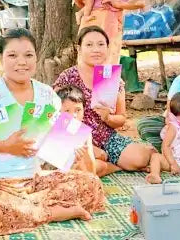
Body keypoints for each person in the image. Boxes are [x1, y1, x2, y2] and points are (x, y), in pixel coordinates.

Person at [0, 28, 105, 235]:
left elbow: (53, 144)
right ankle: (54, 211)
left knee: (91, 184)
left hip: (33, 180)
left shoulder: (48, 95)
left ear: (36, 56)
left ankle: (33, 208)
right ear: (1, 59)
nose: (21, 62)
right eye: (12, 55)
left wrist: (71, 150)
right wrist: (5, 146)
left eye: (28, 55)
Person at [54, 26, 156, 176]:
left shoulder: (112, 78)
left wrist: (107, 117)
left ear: (108, 48)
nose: (96, 49)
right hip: (75, 140)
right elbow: (54, 115)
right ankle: (111, 166)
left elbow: (121, 118)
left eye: (101, 44)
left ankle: (106, 162)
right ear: (79, 48)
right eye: (89, 45)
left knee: (139, 159)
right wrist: (86, 145)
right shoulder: (67, 77)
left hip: (106, 137)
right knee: (78, 170)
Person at [56, 84, 108, 175]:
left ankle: (116, 168)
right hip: (57, 174)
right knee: (101, 166)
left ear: (84, 110)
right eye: (67, 111)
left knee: (102, 166)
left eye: (78, 110)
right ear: (58, 112)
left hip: (78, 173)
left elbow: (91, 171)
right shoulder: (53, 131)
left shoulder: (84, 133)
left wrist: (84, 153)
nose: (74, 115)